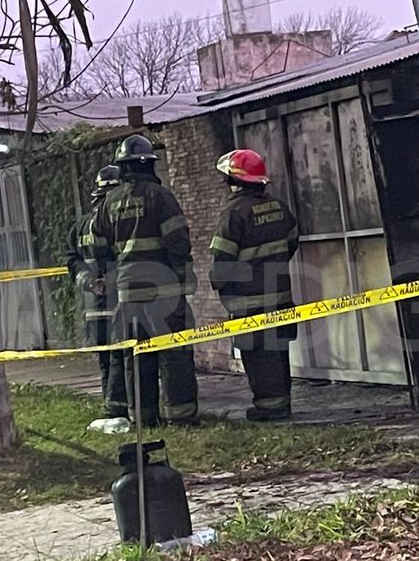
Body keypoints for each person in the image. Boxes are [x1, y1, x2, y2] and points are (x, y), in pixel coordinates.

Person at [92, 134, 199, 427]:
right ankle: (181, 416)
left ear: (122, 167)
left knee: (135, 357)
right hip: (163, 293)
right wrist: (182, 277)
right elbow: (178, 240)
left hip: (127, 296)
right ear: (149, 165)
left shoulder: (108, 203)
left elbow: (98, 247)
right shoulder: (161, 197)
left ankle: (143, 418)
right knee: (174, 354)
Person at [209, 148, 299, 421]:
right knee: (278, 351)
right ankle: (282, 402)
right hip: (280, 297)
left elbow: (222, 260)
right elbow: (292, 242)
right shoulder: (279, 207)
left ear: (235, 181)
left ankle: (270, 407)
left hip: (249, 302)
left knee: (258, 355)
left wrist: (220, 283)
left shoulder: (234, 213)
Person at [63, 165, 129, 425]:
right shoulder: (116, 222)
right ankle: (118, 408)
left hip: (94, 304)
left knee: (105, 356)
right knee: (119, 356)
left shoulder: (80, 226)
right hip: (120, 301)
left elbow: (71, 259)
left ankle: (110, 403)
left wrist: (89, 282)